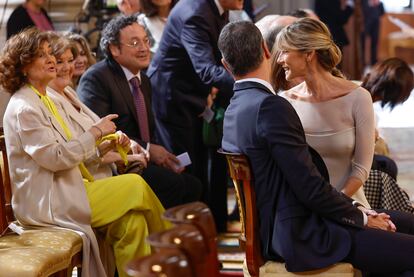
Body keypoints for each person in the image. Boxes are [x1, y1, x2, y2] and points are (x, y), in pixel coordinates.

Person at [219, 20, 414, 276]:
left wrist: (360, 212)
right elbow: (309, 187)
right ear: (266, 51)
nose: (280, 59)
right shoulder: (272, 106)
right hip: (305, 232)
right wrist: (363, 218)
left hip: (300, 221)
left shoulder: (236, 108)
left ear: (225, 65)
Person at [0, 28, 168, 277]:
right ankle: (173, 250)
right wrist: (96, 133)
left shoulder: (44, 98)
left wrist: (101, 149)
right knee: (135, 184)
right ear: (23, 66)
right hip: (50, 201)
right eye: (41, 56)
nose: (51, 60)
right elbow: (56, 159)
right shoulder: (25, 107)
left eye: (50, 54)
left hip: (71, 187)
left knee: (132, 223)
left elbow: (70, 152)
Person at [77, 15, 203, 209]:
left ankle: (169, 237)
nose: (144, 48)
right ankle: (155, 236)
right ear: (114, 48)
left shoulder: (143, 80)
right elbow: (100, 133)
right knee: (177, 186)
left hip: (142, 158)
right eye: (134, 43)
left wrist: (158, 154)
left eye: (146, 41)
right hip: (117, 164)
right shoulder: (96, 79)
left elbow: (147, 130)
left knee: (193, 183)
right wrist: (149, 149)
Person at [146, 0, 243, 232]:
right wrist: (251, 80)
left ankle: (206, 230)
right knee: (185, 166)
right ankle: (183, 238)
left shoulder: (218, 9)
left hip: (194, 96)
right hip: (172, 99)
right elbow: (206, 69)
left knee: (201, 164)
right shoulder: (196, 14)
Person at [276, 18, 373, 208]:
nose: (279, 59)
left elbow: (361, 169)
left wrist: (335, 205)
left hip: (349, 205)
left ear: (308, 54)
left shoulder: (359, 97)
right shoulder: (285, 101)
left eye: (285, 51)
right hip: (305, 212)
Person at [361, 0, 385, 66]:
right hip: (365, 25)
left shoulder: (380, 3)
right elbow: (363, 11)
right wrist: (371, 4)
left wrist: (378, 4)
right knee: (362, 44)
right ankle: (362, 62)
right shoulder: (364, 2)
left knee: (374, 44)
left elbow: (382, 13)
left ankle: (373, 61)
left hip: (375, 26)